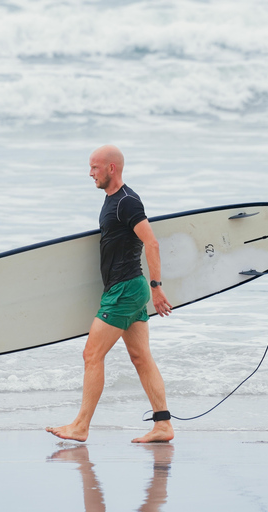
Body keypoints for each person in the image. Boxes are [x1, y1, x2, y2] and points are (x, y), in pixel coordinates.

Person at [46, 145, 174, 444]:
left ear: (111, 168)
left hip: (126, 289)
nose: (90, 173)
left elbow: (151, 243)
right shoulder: (112, 200)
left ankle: (81, 426)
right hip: (127, 288)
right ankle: (163, 424)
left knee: (92, 354)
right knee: (141, 357)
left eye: (94, 167)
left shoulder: (126, 202)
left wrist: (156, 288)